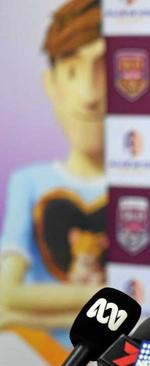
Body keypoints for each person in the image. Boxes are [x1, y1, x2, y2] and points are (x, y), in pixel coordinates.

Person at [0, 0, 106, 351]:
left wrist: (29, 309)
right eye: (73, 71)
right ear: (51, 83)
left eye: (102, 69)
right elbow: (5, 294)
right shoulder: (29, 182)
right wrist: (99, 295)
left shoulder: (143, 190)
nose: (89, 96)